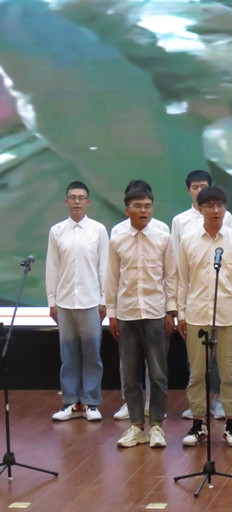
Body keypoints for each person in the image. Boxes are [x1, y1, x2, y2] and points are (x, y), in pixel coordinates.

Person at [177, 185, 232, 448]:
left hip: (230, 317)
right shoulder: (188, 241)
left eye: (220, 205)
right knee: (197, 374)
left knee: (230, 373)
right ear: (200, 209)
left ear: (226, 208)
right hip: (197, 315)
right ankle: (198, 424)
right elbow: (181, 281)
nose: (215, 210)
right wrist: (181, 314)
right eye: (209, 205)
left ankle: (231, 425)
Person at [106, 188, 176, 448]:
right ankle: (136, 426)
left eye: (147, 205)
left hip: (156, 313)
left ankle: (156, 426)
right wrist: (112, 313)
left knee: (158, 374)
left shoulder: (163, 237)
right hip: (127, 314)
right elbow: (111, 278)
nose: (143, 210)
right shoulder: (117, 238)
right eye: (137, 206)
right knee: (130, 375)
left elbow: (171, 276)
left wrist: (171, 312)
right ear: (127, 210)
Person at [171, 169, 232, 420]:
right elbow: (179, 267)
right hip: (196, 299)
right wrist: (180, 309)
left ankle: (217, 399)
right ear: (189, 191)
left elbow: (230, 252)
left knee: (221, 360)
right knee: (197, 360)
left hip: (223, 299)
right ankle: (198, 405)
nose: (200, 190)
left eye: (203, 186)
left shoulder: (227, 219)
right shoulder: (180, 221)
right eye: (195, 187)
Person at [47, 180, 109, 421]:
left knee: (92, 354)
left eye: (81, 198)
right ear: (66, 201)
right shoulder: (57, 231)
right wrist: (52, 301)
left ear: (88, 202)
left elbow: (104, 267)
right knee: (68, 355)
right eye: (72, 197)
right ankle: (71, 402)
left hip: (90, 301)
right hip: (64, 302)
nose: (77, 202)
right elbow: (52, 268)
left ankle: (91, 403)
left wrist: (104, 299)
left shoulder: (98, 230)